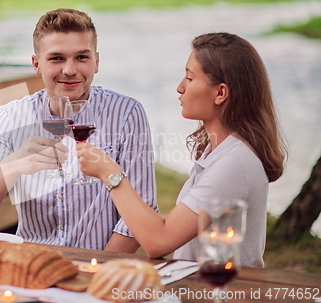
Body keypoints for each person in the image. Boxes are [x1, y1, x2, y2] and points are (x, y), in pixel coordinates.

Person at [0, 8, 157, 253]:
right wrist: (15, 164)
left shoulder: (126, 113)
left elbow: (141, 212)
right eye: (57, 58)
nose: (70, 70)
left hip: (100, 266)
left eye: (82, 57)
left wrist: (95, 269)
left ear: (97, 62)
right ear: (37, 64)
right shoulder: (12, 116)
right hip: (31, 263)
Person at [76, 32, 286, 267]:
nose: (180, 87)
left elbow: (159, 241)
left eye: (189, 78)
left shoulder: (234, 163)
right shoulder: (218, 152)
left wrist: (109, 173)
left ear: (220, 93)